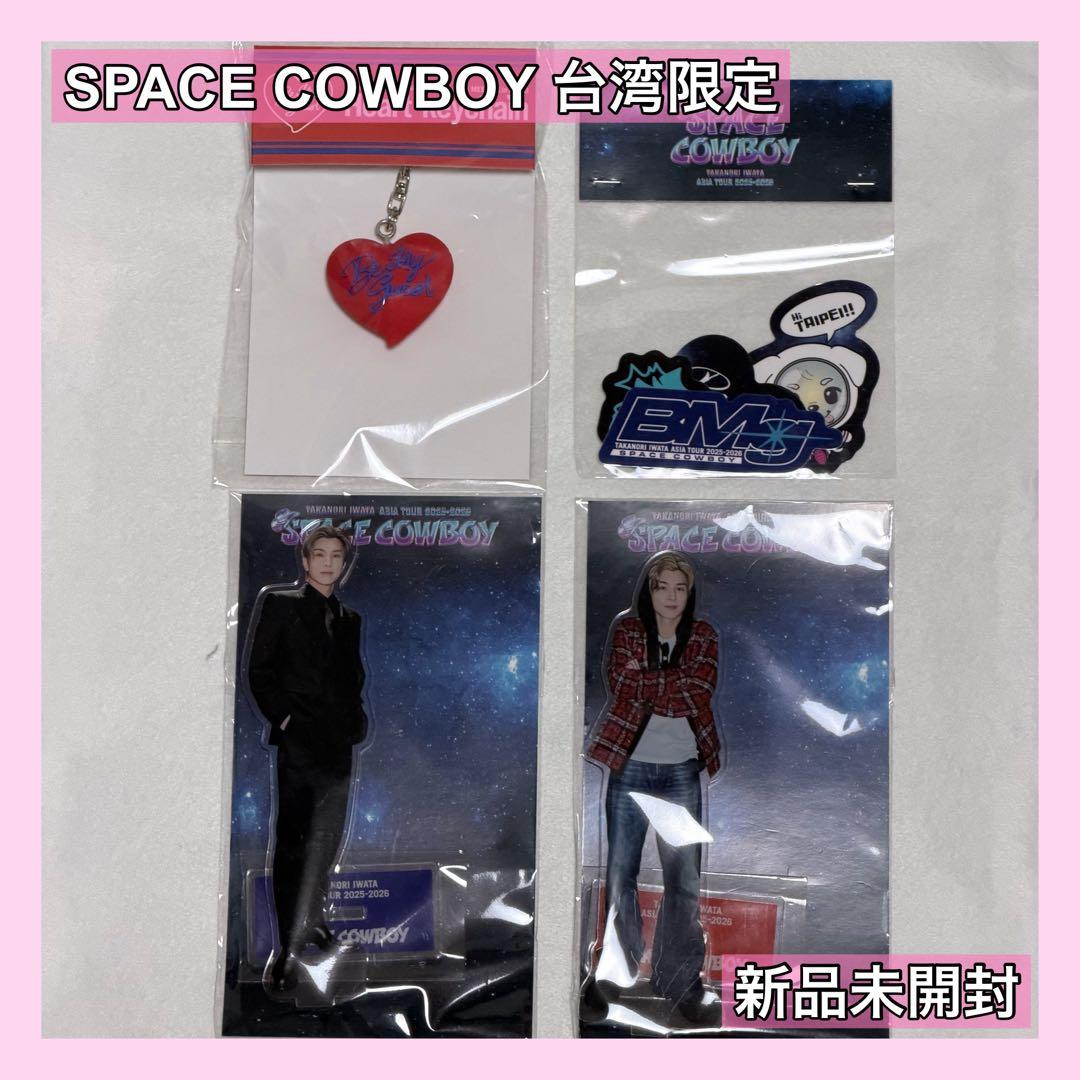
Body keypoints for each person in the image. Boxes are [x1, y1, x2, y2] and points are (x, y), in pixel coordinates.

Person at [584, 552, 721, 1024]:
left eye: (680, 588)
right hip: (631, 766)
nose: (671, 596)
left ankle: (679, 979)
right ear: (650, 589)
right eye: (663, 586)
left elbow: (700, 690)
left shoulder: (703, 635)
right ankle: (615, 974)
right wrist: (672, 685)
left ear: (689, 593)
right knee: (621, 872)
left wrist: (653, 685)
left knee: (683, 880)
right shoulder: (628, 630)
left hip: (682, 770)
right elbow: (623, 684)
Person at [246, 524, 368, 996]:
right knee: (295, 842)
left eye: (336, 556)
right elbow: (260, 672)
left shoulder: (349, 618)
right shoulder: (281, 605)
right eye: (319, 554)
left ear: (344, 563)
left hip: (337, 745)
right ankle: (286, 950)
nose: (327, 563)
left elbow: (351, 677)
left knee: (326, 837)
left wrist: (356, 720)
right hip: (299, 744)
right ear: (305, 559)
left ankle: (312, 922)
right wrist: (287, 720)